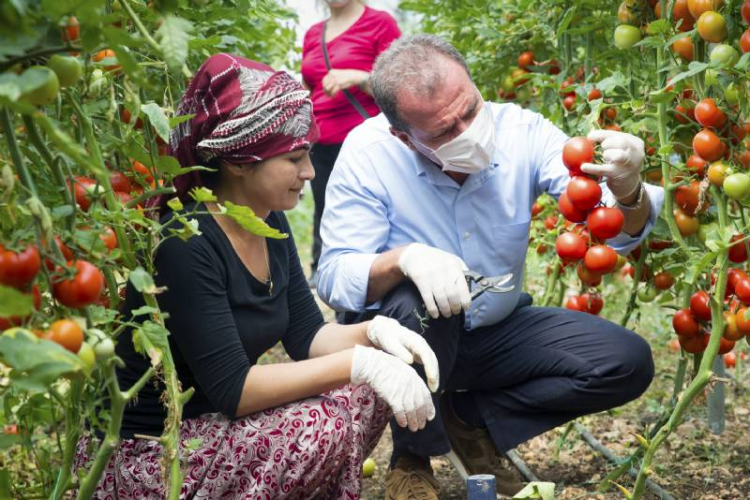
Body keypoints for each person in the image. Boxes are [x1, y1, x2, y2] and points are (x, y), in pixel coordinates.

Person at [72, 53, 440, 500]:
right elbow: (234, 389)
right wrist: (358, 363)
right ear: (239, 162)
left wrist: (377, 334)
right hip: (158, 455)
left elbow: (305, 336)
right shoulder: (184, 243)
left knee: (368, 394)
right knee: (319, 425)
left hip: (219, 433)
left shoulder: (267, 220)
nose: (309, 172)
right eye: (295, 159)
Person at [317, 35, 665, 499]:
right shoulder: (367, 155)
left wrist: (629, 190)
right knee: (419, 297)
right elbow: (335, 277)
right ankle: (412, 458)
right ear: (403, 136)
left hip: (494, 334)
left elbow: (616, 229)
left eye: (471, 110)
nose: (467, 132)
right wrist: (404, 260)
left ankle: (471, 420)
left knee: (624, 362)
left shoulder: (523, 132)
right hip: (404, 344)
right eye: (444, 132)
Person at [301, 0, 400, 287]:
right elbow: (309, 86)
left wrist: (358, 77)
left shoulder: (380, 23)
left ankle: (376, 272)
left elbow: (399, 85)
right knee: (325, 205)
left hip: (364, 137)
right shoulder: (312, 34)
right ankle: (323, 271)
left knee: (369, 206)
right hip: (319, 138)